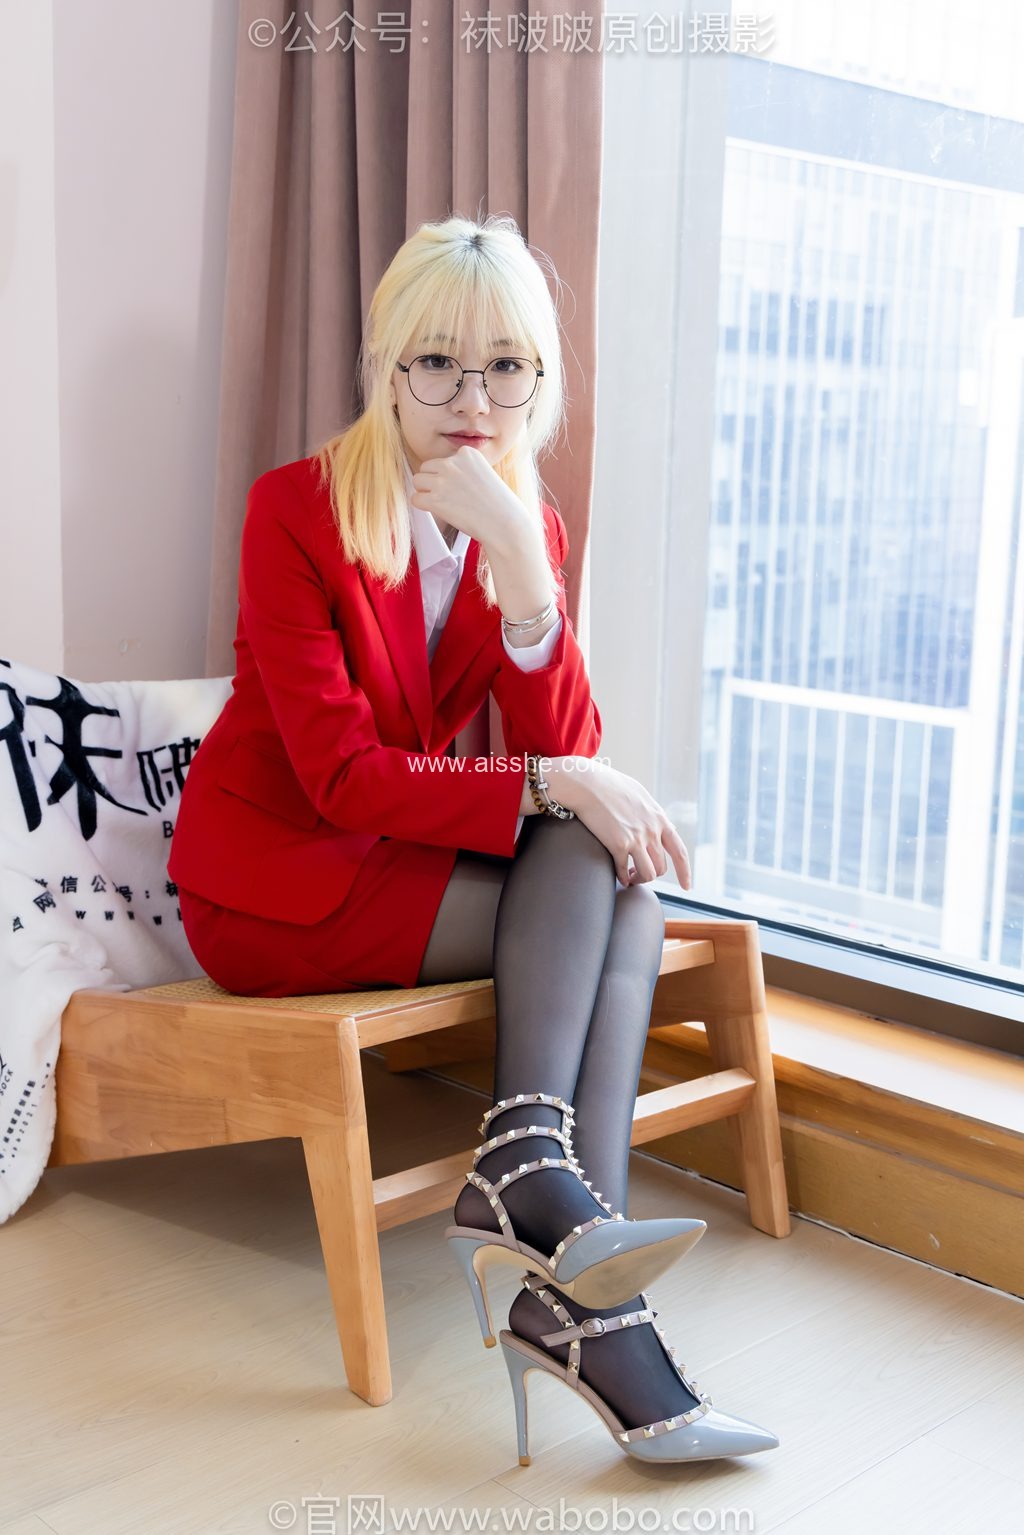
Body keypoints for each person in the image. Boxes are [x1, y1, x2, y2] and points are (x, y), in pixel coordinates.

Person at [169, 213, 778, 1465]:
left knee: (615, 874)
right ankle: (580, 1282)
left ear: (538, 380)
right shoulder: (295, 510)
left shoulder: (521, 525)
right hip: (277, 885)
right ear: (385, 365)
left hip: (394, 856)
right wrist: (554, 778)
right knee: (581, 834)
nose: (472, 399)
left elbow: (568, 743)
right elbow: (341, 775)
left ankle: (554, 1226)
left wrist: (521, 567)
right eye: (438, 363)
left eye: (506, 367)